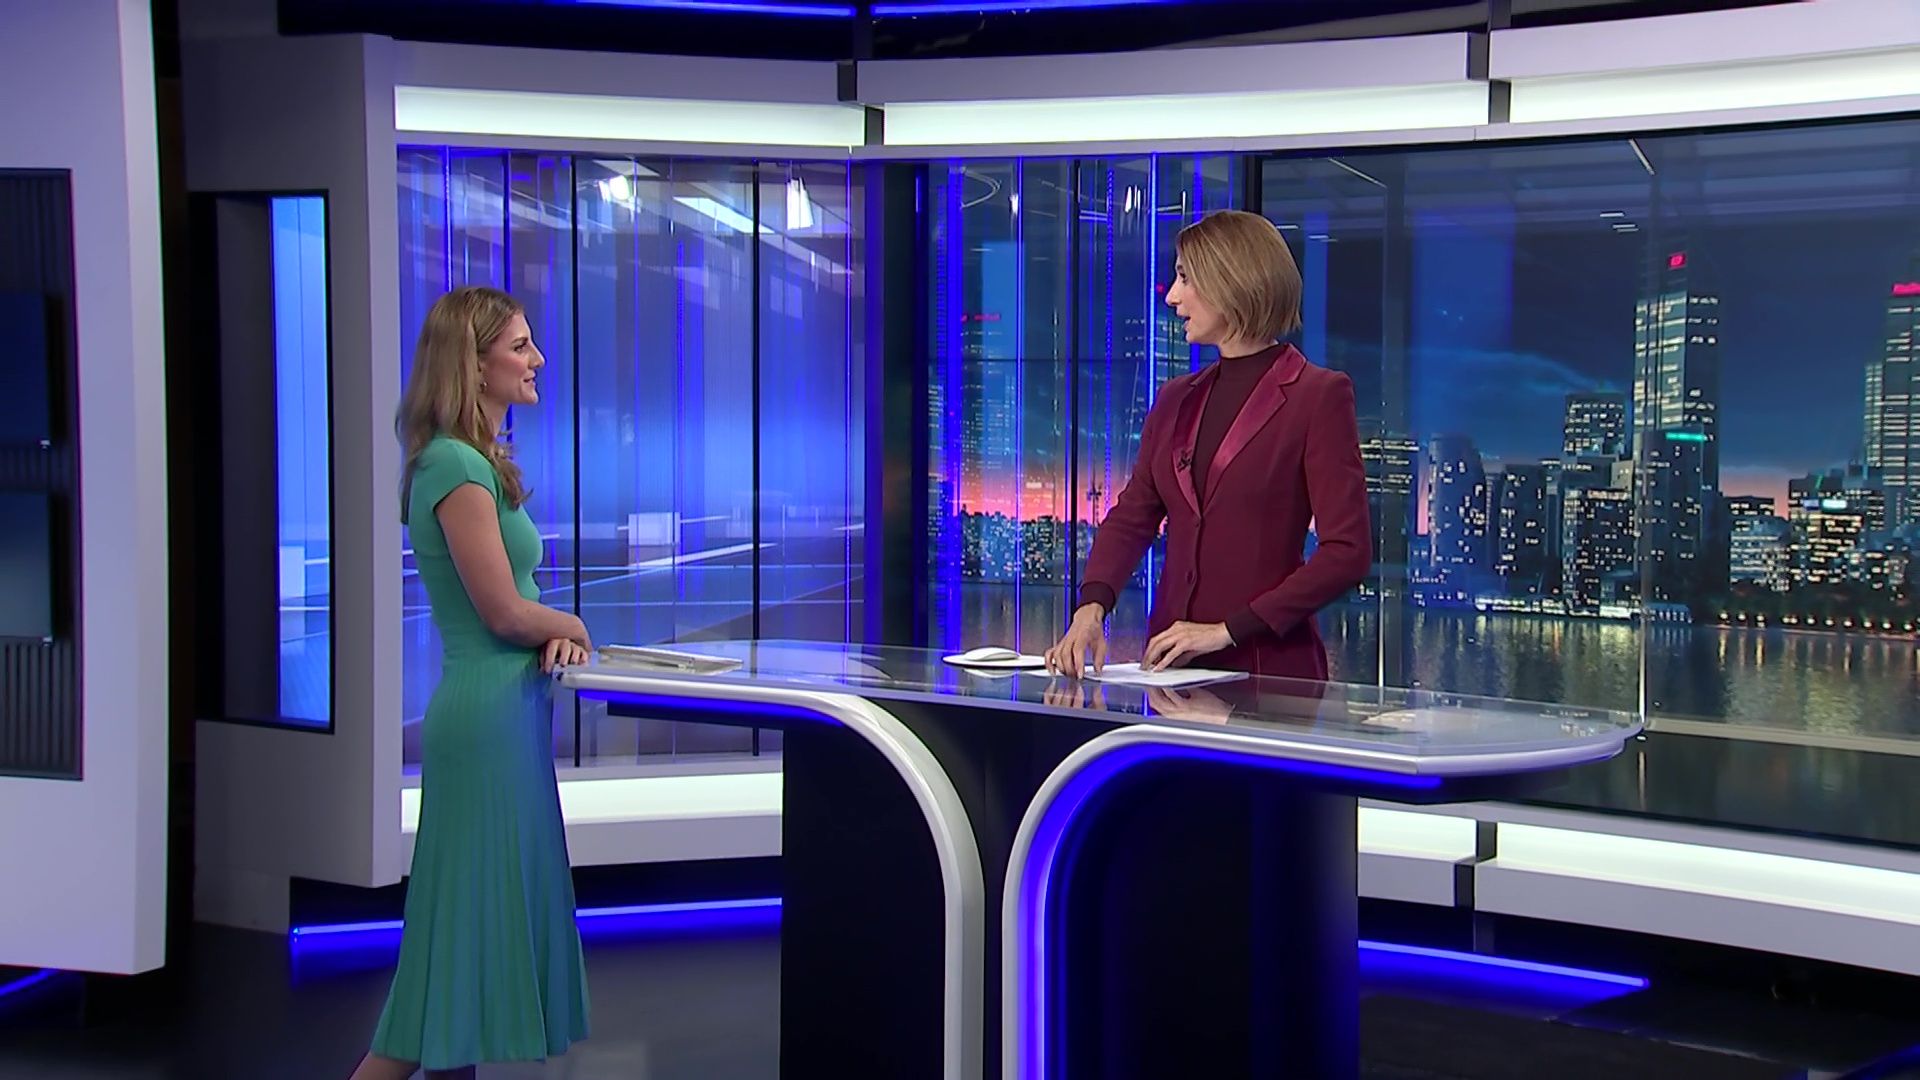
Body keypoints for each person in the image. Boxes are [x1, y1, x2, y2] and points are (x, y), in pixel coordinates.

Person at [351, 286, 591, 1080]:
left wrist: (552, 636)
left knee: (461, 968)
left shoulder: (473, 461)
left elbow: (517, 613)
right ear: (473, 361)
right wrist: (570, 624)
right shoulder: (453, 465)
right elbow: (501, 611)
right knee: (447, 958)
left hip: (509, 719)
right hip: (485, 726)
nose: (537, 360)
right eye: (520, 346)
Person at [1045, 209, 1370, 681]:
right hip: (1169, 672)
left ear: (1231, 281)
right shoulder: (1175, 398)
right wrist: (1090, 609)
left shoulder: (1318, 396)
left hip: (1268, 673)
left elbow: (1347, 552)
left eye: (1184, 278)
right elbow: (1134, 515)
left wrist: (1226, 631)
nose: (1172, 297)